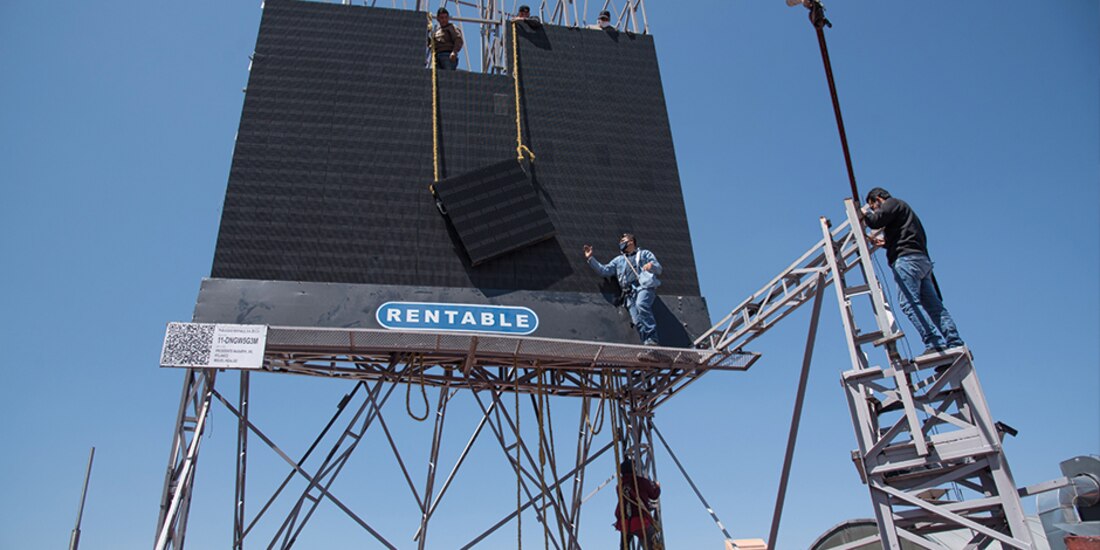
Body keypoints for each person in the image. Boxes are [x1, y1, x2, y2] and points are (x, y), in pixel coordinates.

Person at [862, 187, 965, 355]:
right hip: (921, 262)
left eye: (874, 206)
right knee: (934, 307)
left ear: (879, 199)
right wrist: (886, 243)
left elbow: (875, 221)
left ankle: (934, 342)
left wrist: (864, 214)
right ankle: (954, 342)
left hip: (907, 261)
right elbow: (907, 236)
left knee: (909, 303)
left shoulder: (892, 203)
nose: (875, 209)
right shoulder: (905, 212)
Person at [584, 233, 662, 346]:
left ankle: (653, 339)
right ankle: (648, 344)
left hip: (643, 287)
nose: (621, 243)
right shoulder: (619, 260)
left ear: (631, 242)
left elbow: (658, 268)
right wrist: (590, 258)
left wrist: (651, 265)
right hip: (629, 294)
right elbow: (604, 270)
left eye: (624, 241)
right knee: (637, 320)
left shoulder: (645, 254)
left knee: (642, 305)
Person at [613, 459, 661, 550]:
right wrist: (657, 487)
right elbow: (654, 495)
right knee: (652, 542)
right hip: (640, 521)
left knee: (624, 544)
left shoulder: (619, 486)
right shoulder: (642, 482)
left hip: (625, 523)